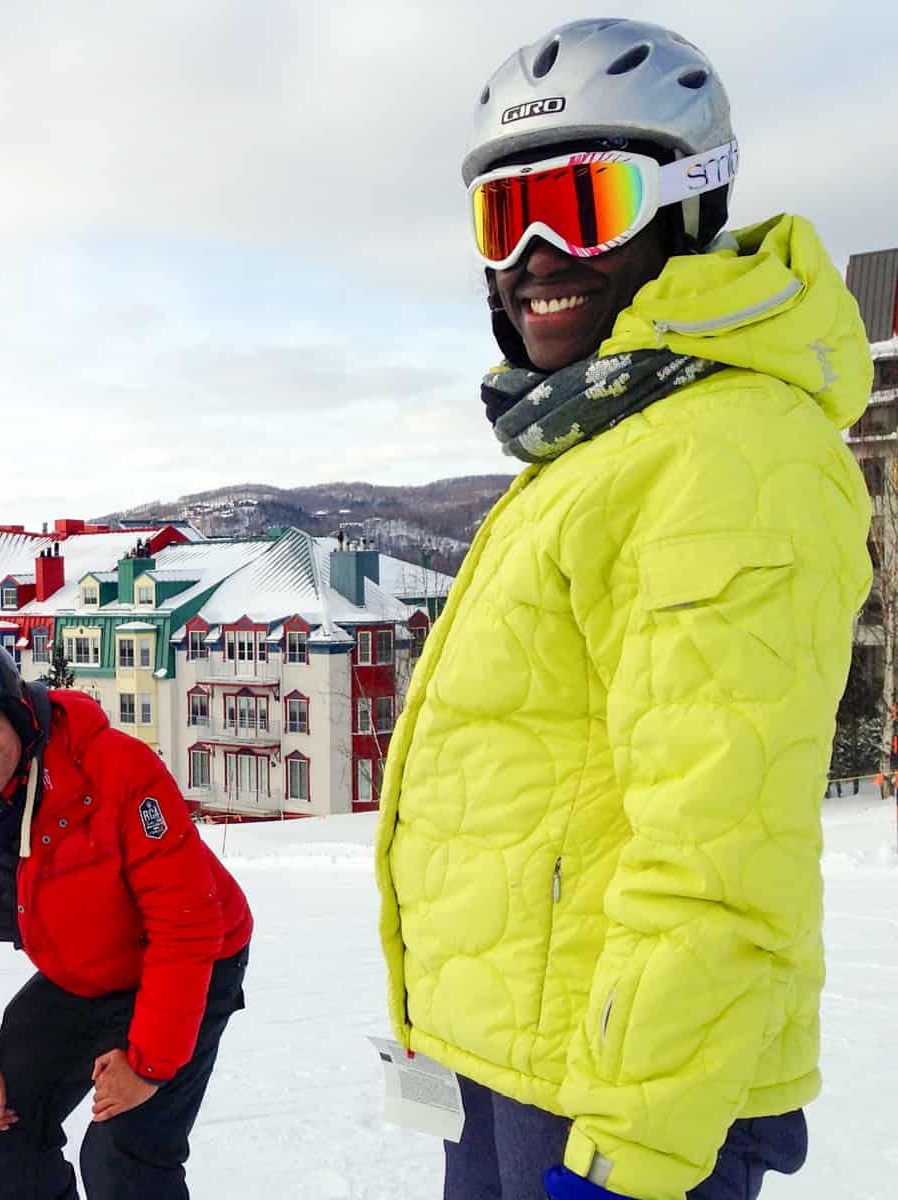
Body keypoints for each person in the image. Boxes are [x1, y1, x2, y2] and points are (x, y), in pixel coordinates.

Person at [374, 20, 871, 1200]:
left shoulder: (729, 457)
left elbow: (720, 844)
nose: (538, 252)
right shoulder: (610, 442)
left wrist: (634, 1154)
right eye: (508, 218)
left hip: (618, 1097)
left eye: (585, 205)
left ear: (688, 207)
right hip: (523, 1056)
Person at [0, 631, 252, 1200]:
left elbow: (186, 922)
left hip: (197, 957)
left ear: (14, 710)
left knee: (121, 1155)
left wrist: (150, 1065)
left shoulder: (113, 768)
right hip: (84, 971)